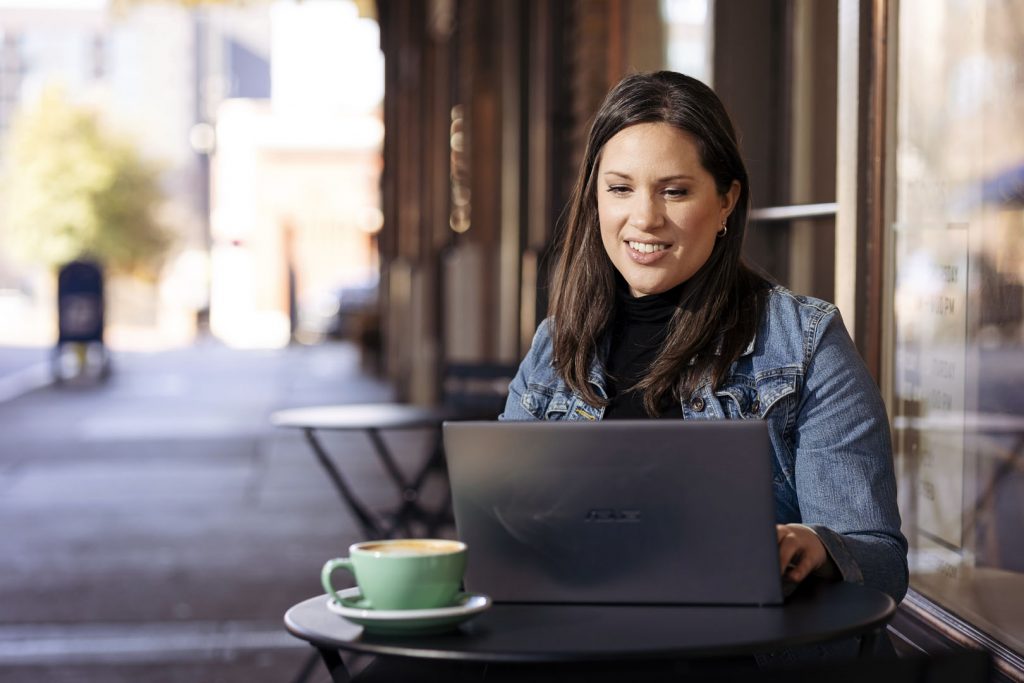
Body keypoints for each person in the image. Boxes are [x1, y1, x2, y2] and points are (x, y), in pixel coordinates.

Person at [500, 71, 908, 617]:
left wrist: (814, 548)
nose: (643, 218)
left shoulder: (804, 343)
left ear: (725, 201)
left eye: (675, 191)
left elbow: (881, 562)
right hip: (573, 646)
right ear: (594, 198)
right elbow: (500, 530)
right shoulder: (555, 348)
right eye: (620, 189)